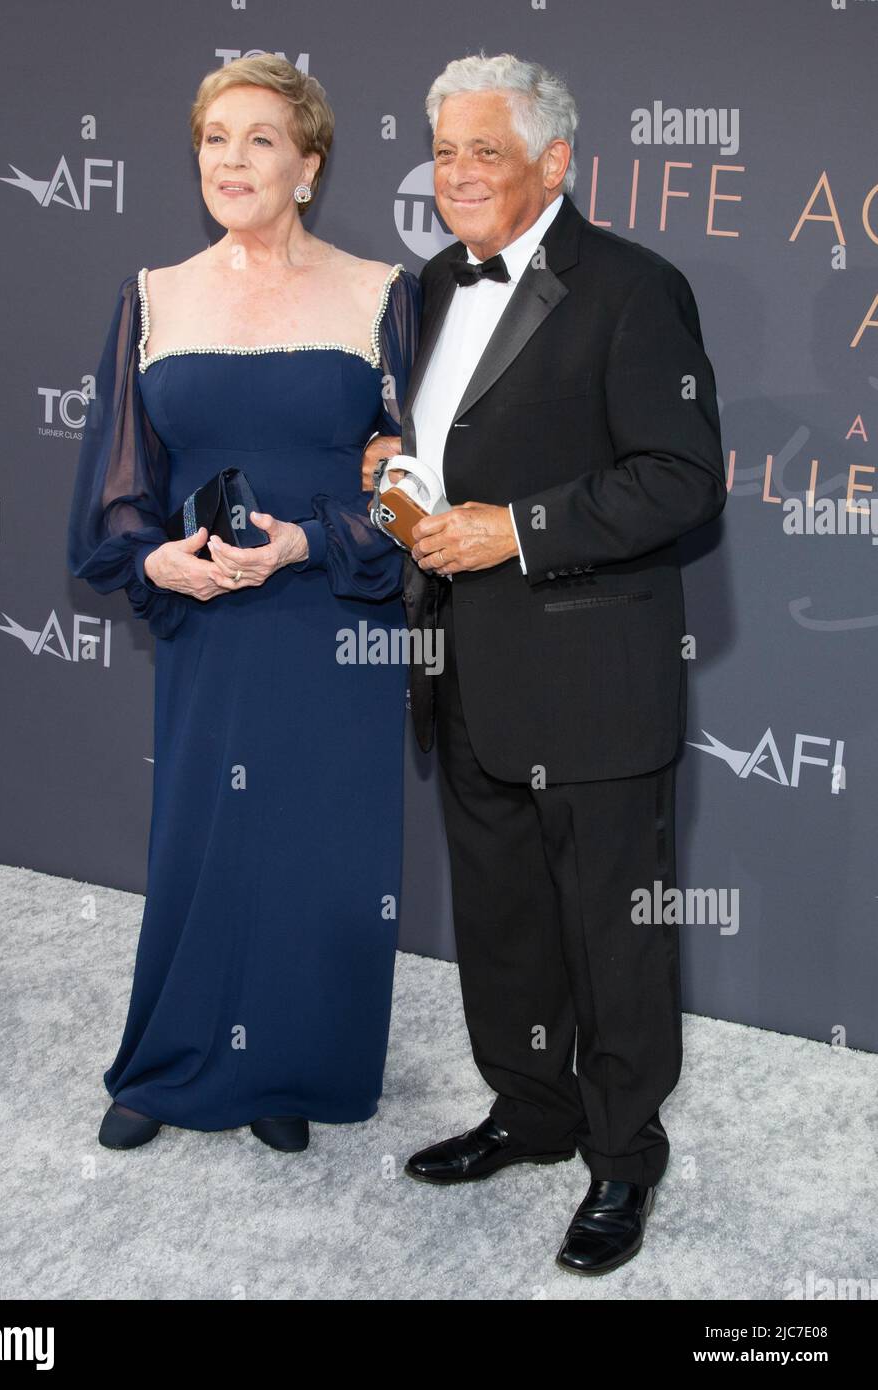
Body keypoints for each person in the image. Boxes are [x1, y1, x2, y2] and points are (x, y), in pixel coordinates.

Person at [364, 53, 726, 1273]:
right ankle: (531, 1107)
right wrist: (399, 483)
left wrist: (516, 530)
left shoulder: (634, 289)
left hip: (594, 679)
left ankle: (625, 1156)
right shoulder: (426, 287)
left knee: (614, 930)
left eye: (485, 152)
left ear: (555, 164)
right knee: (506, 918)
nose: (456, 175)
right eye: (444, 152)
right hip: (463, 668)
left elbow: (681, 479)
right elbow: (445, 442)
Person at [68, 54, 420, 1155]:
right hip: (211, 614)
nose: (233, 158)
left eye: (262, 138)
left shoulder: (379, 292)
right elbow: (119, 475)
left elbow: (418, 487)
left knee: (318, 843)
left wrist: (313, 542)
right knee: (204, 834)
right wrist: (154, 562)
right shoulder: (155, 292)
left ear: (308, 165)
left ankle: (289, 1063)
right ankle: (171, 1062)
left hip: (333, 613)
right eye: (217, 138)